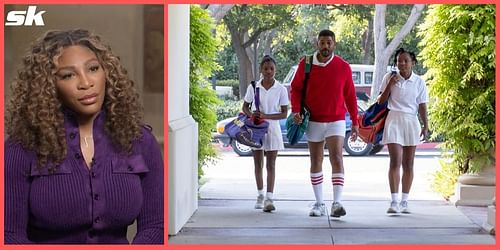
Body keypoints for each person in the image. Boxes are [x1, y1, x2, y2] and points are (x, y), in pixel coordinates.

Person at [4, 29, 164, 244]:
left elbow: (155, 226)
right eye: (68, 75)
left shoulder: (141, 141)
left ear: (107, 73)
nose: (86, 83)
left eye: (93, 69)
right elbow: (9, 236)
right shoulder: (21, 147)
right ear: (49, 86)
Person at [290, 29, 359, 218]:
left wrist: (355, 121)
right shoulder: (306, 64)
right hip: (313, 120)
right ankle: (319, 203)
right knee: (316, 160)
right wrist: (296, 110)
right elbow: (295, 90)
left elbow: (350, 95)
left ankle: (337, 203)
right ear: (317, 44)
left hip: (336, 119)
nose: (325, 46)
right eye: (322, 43)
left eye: (329, 43)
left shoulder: (343, 66)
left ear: (334, 44)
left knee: (337, 157)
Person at [377, 48, 429, 214]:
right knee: (395, 161)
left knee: (409, 163)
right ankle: (394, 201)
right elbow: (380, 101)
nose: (402, 64)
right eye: (399, 60)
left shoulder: (419, 81)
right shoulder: (389, 77)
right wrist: (390, 85)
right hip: (393, 120)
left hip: (411, 121)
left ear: (412, 62)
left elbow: (422, 105)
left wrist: (426, 125)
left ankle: (405, 201)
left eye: (405, 60)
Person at [242, 55, 289, 213]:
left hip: (273, 129)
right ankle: (260, 195)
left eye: (271, 69)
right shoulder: (254, 87)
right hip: (256, 129)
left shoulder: (281, 89)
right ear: (261, 70)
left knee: (271, 164)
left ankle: (270, 197)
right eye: (265, 69)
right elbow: (245, 107)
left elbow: (284, 113)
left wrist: (266, 116)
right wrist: (251, 115)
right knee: (258, 163)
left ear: (275, 70)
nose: (269, 71)